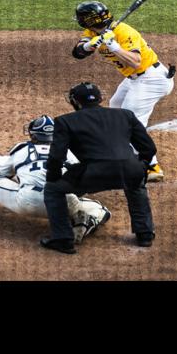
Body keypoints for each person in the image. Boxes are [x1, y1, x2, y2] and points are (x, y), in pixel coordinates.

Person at [0, 115, 112, 243]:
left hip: (28, 201)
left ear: (33, 134)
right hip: (63, 204)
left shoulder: (22, 148)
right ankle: (85, 224)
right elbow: (79, 177)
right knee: (101, 210)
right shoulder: (67, 151)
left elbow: (3, 174)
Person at [40, 82, 156, 254]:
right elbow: (149, 148)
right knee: (136, 183)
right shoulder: (126, 115)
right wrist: (141, 166)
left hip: (93, 173)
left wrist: (53, 177)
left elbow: (57, 156)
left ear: (76, 102)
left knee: (53, 190)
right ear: (101, 98)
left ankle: (63, 239)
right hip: (128, 169)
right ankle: (145, 234)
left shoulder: (65, 121)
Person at [71, 0, 174, 181]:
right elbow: (77, 53)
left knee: (130, 120)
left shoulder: (124, 32)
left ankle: (151, 166)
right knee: (116, 105)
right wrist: (89, 45)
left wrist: (114, 47)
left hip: (151, 79)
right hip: (134, 79)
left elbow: (135, 61)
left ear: (89, 19)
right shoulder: (92, 31)